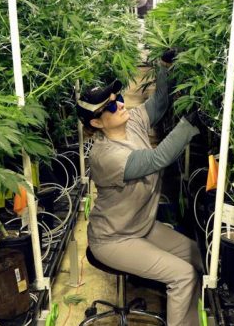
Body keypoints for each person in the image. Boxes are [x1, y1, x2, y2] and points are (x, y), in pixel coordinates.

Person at [75, 49, 204, 326]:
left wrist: (164, 67)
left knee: (197, 256)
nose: (119, 105)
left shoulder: (131, 121)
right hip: (113, 240)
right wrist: (189, 123)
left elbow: (158, 104)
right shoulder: (106, 156)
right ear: (96, 123)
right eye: (110, 107)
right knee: (183, 275)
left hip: (140, 227)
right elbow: (158, 158)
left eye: (117, 99)